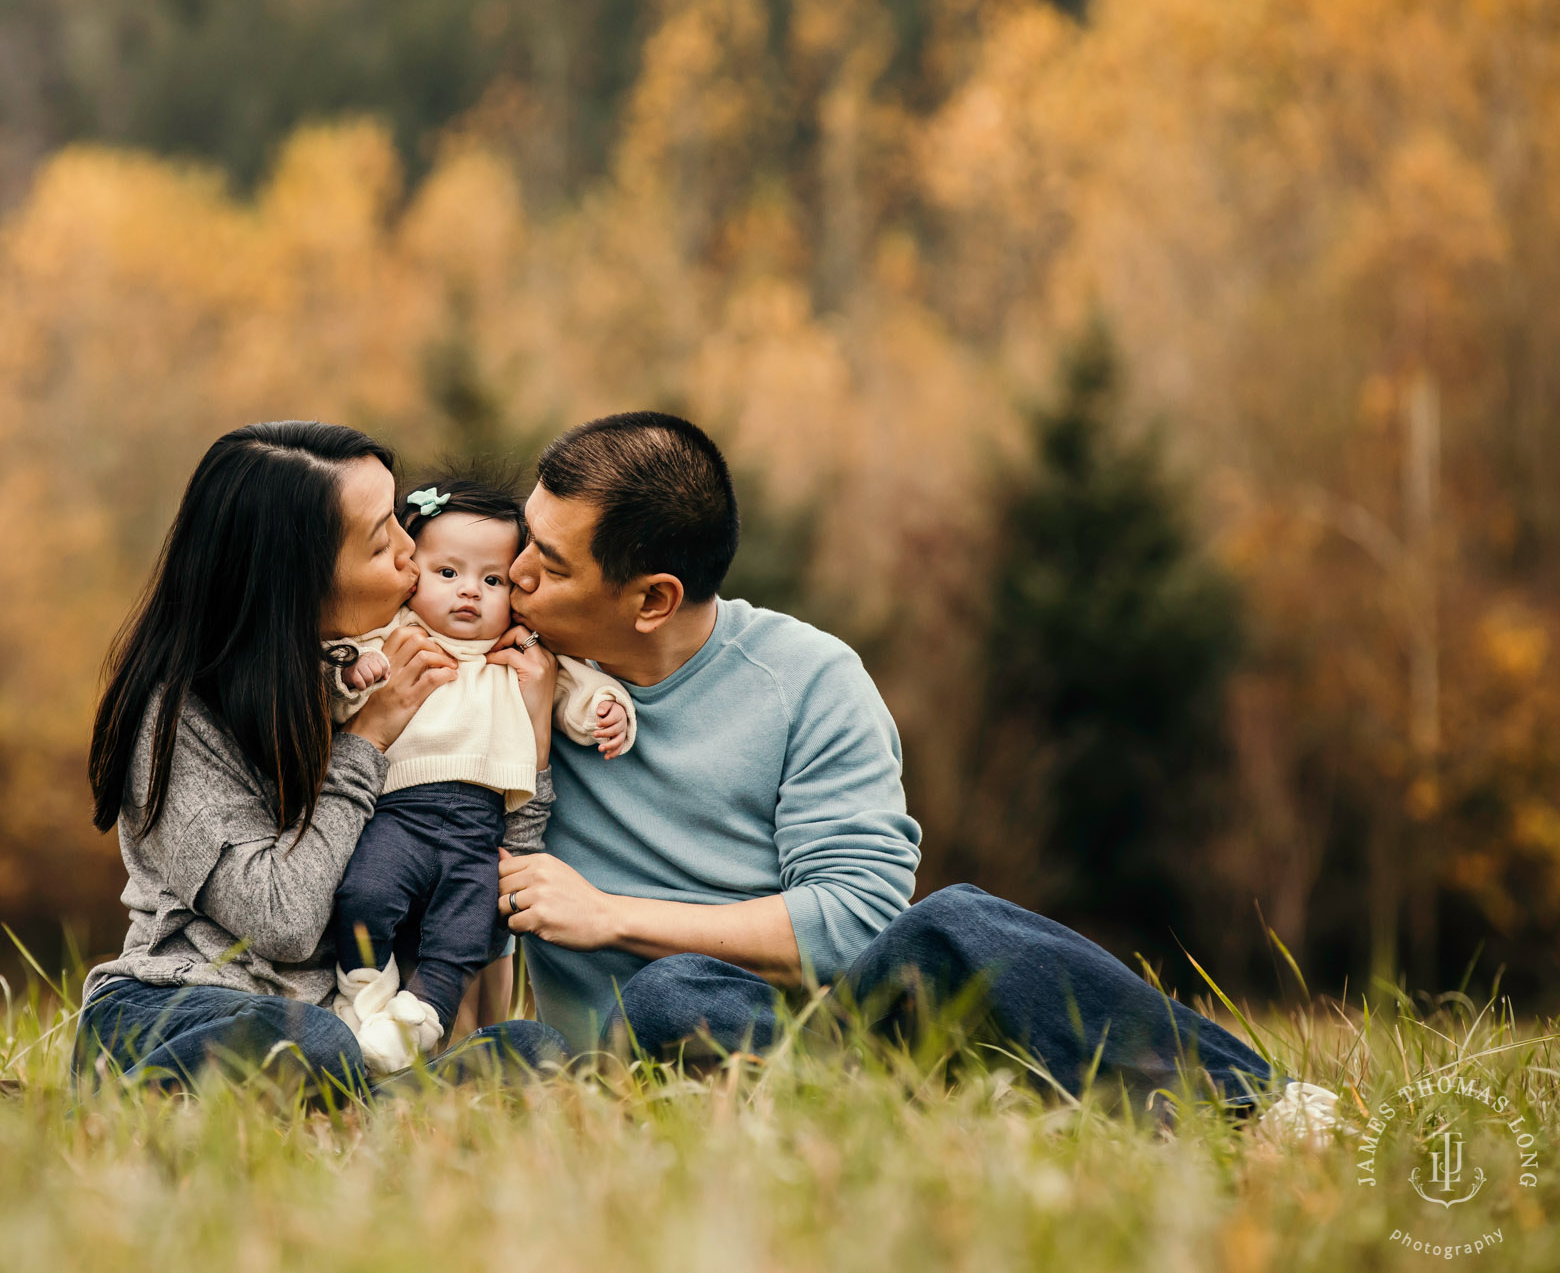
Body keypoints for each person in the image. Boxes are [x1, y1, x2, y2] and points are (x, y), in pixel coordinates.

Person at [495, 411, 1339, 1140]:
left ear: (653, 600)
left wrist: (609, 916)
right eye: (524, 533)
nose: (516, 569)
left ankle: (1255, 1109)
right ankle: (916, 1110)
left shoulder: (809, 681)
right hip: (631, 1064)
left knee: (955, 920)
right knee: (662, 998)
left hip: (814, 1037)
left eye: (551, 561)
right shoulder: (493, 674)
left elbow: (855, 919)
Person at [73, 422, 567, 1103]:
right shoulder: (180, 713)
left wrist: (532, 735)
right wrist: (368, 738)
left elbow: (496, 865)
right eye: (379, 539)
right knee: (306, 1042)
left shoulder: (408, 673)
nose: (411, 553)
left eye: (400, 519)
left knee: (533, 1047)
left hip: (346, 1025)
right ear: (297, 576)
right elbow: (285, 920)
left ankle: (359, 1106)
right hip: (180, 1006)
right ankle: (125, 1101)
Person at [324, 474, 634, 1072]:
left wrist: (606, 708)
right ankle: (362, 990)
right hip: (398, 813)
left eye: (491, 580)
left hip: (479, 830)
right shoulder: (399, 637)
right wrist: (353, 674)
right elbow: (339, 685)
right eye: (448, 574)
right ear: (412, 575)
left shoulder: (522, 653)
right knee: (365, 891)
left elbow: (578, 692)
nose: (470, 592)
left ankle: (422, 1019)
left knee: (464, 933)